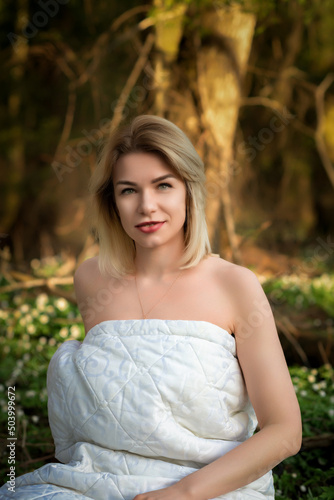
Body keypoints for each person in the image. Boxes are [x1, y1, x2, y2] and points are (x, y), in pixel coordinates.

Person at [0, 115, 302, 499]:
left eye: (163, 186)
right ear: (112, 201)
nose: (147, 206)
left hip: (213, 489)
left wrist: (181, 494)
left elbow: (285, 431)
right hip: (93, 483)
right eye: (128, 190)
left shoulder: (234, 285)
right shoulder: (91, 279)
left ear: (189, 191)